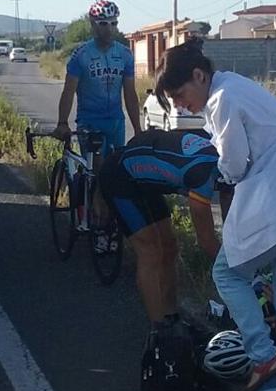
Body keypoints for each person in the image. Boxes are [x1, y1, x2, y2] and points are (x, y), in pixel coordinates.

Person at [156, 43, 276, 391]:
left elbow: (235, 165)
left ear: (199, 75)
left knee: (227, 274)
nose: (180, 105)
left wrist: (216, 173)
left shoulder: (223, 98)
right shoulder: (239, 87)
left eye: (180, 95)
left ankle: (263, 357)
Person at [96, 129, 227, 325]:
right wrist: (240, 272)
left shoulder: (224, 152)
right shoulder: (201, 174)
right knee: (151, 252)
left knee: (170, 247)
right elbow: (207, 241)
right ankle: (160, 332)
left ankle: (171, 316)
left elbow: (231, 222)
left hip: (145, 178)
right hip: (119, 176)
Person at [54, 0, 142, 157]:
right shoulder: (81, 55)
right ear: (93, 24)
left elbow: (130, 94)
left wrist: (137, 129)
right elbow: (68, 92)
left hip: (116, 122)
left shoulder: (125, 54)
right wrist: (62, 122)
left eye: (113, 24)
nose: (109, 29)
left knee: (115, 170)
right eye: (103, 24)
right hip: (89, 121)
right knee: (97, 169)